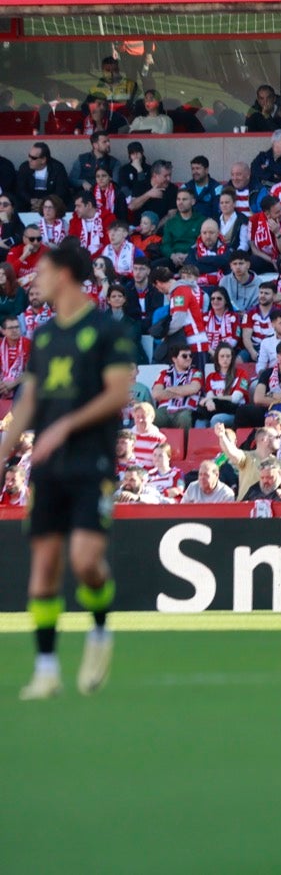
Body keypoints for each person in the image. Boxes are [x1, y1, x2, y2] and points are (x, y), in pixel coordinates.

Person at [0, 237, 138, 700]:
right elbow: (28, 404)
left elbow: (119, 394)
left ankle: (100, 630)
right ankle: (46, 670)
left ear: (62, 275)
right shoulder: (42, 335)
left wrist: (64, 428)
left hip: (92, 460)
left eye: (40, 271)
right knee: (43, 565)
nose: (33, 279)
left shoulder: (106, 330)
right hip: (46, 465)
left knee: (84, 563)